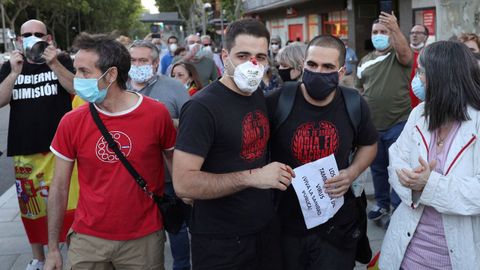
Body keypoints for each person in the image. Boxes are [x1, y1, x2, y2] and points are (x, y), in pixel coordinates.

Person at [44, 33, 176, 270]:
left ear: (111, 74)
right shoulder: (71, 121)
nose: (78, 79)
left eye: (85, 72)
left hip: (143, 240)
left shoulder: (156, 114)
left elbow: (175, 167)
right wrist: (53, 248)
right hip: (87, 241)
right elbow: (59, 187)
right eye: (77, 71)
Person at [172, 19, 295, 270]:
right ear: (224, 56)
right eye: (243, 55)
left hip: (264, 229)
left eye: (260, 56)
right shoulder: (201, 108)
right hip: (221, 241)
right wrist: (253, 177)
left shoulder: (257, 93)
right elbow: (183, 183)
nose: (253, 64)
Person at [267, 34, 378, 270]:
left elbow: (369, 144)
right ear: (303, 65)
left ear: (341, 72)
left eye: (327, 67)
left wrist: (352, 172)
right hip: (285, 226)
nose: (318, 72)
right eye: (312, 65)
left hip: (336, 229)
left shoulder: (354, 103)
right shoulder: (278, 101)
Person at [379, 40, 480, 270]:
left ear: (443, 77)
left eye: (422, 71)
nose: (417, 78)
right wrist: (413, 184)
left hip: (455, 259)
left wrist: (430, 185)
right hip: (407, 252)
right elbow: (396, 161)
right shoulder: (419, 114)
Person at [0, 19, 78, 270]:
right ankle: (38, 257)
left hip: (61, 149)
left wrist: (54, 63)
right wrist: (13, 72)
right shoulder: (10, 65)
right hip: (25, 147)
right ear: (19, 40)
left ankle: (67, 251)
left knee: (67, 203)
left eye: (38, 33)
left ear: (49, 38)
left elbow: (76, 89)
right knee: (31, 207)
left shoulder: (62, 61)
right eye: (27, 34)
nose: (32, 37)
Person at [128, 40, 191, 270]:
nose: (137, 65)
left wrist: (165, 122)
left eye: (143, 60)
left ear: (155, 63)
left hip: (167, 177)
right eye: (133, 60)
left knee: (176, 227)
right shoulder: (118, 86)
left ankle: (182, 266)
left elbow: (192, 125)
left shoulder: (174, 88)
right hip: (132, 176)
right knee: (139, 230)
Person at [355, 12, 413, 226]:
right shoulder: (364, 62)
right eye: (375, 32)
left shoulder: (399, 56)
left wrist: (396, 29)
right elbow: (359, 90)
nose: (379, 35)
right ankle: (381, 204)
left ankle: (398, 210)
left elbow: (406, 53)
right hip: (372, 127)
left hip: (399, 123)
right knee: (377, 169)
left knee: (398, 170)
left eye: (384, 32)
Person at [408, 24, 429, 108]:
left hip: (424, 105)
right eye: (412, 32)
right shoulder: (403, 55)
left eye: (418, 33)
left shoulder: (430, 56)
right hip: (404, 105)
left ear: (426, 37)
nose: (414, 35)